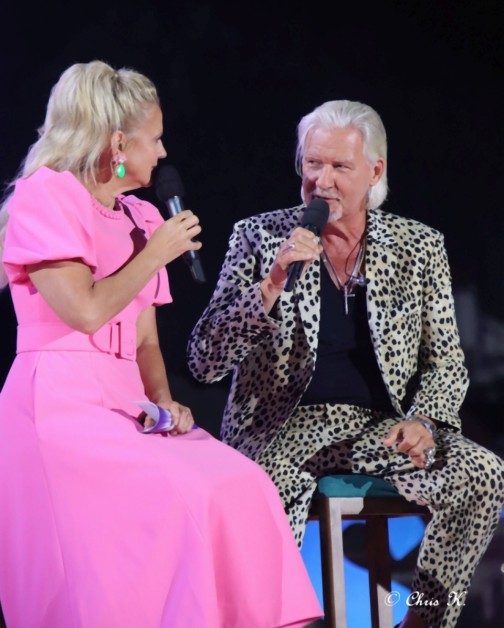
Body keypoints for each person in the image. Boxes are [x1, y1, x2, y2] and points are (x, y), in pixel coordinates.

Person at [0, 61, 322, 628]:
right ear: (119, 145)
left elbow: (145, 339)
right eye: (154, 138)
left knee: (242, 484)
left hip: (127, 403)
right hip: (59, 405)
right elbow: (85, 310)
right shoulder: (46, 196)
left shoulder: (141, 215)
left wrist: (165, 402)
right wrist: (155, 254)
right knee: (182, 498)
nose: (164, 150)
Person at [187, 99, 504, 628]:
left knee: (484, 474)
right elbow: (204, 361)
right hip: (282, 432)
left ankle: (424, 620)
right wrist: (271, 284)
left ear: (375, 172)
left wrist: (424, 421)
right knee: (255, 505)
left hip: (382, 430)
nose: (322, 180)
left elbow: (447, 362)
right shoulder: (259, 237)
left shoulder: (419, 247)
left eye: (339, 166)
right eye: (313, 163)